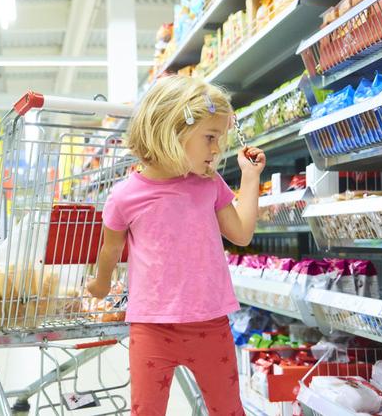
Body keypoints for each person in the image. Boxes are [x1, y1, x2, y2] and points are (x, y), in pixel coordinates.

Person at [87, 75, 266, 416]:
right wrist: (101, 283)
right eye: (210, 138)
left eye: (219, 139)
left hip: (210, 323)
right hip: (152, 328)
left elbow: (241, 234)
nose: (216, 150)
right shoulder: (125, 196)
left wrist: (250, 176)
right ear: (172, 131)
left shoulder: (209, 184)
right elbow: (110, 249)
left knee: (229, 410)